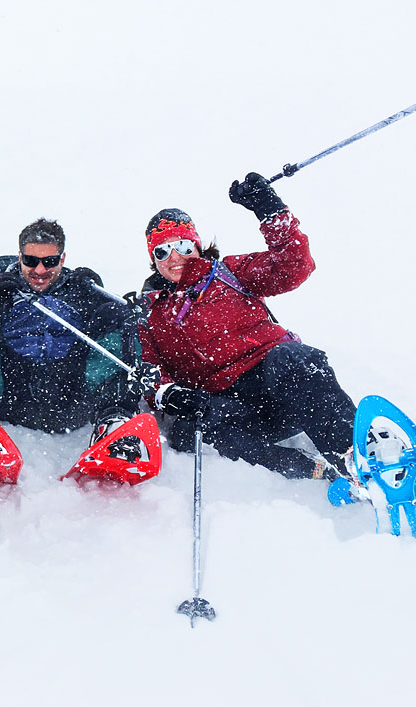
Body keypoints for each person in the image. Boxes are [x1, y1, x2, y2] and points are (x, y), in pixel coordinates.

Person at [136, 172, 357, 491]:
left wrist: (271, 213)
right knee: (196, 426)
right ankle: (310, 471)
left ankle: (353, 457)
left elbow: (293, 267)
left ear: (196, 244)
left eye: (182, 245)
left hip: (277, 380)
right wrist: (168, 392)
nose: (175, 258)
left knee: (291, 359)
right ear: (152, 259)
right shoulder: (151, 314)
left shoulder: (229, 273)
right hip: (232, 406)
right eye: (162, 251)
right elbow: (149, 371)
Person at [0, 218, 140, 440]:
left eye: (49, 261)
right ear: (20, 257)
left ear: (62, 259)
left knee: (115, 314)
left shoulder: (77, 289)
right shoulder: (3, 289)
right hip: (12, 395)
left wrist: (96, 295)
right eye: (30, 260)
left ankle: (113, 423)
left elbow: (122, 322)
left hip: (69, 396)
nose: (39, 270)